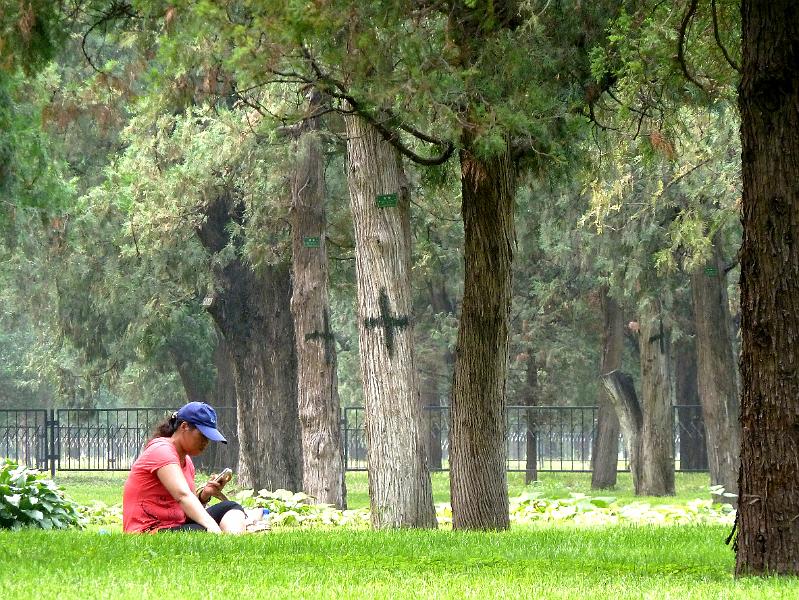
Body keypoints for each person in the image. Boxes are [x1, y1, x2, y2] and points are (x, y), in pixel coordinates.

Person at [122, 401, 246, 534]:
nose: (206, 442)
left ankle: (232, 543)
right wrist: (213, 527)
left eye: (209, 437)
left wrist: (204, 495)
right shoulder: (161, 449)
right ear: (184, 426)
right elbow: (182, 496)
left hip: (175, 527)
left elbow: (187, 512)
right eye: (203, 435)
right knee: (205, 529)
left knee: (230, 507)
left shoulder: (186, 461)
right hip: (148, 531)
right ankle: (225, 541)